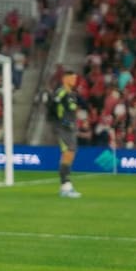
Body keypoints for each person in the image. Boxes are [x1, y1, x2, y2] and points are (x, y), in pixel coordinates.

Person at [53, 69, 83, 198]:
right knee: (67, 154)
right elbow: (53, 104)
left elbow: (71, 110)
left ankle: (65, 186)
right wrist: (61, 120)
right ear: (65, 79)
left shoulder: (72, 94)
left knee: (70, 154)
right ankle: (65, 186)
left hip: (71, 127)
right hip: (63, 127)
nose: (74, 80)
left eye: (75, 78)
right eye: (72, 78)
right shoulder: (61, 92)